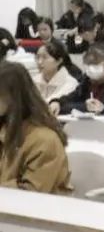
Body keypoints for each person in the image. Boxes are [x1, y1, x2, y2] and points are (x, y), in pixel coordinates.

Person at [0, 62, 71, 193]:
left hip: (37, 204)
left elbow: (32, 193)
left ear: (14, 97)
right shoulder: (5, 128)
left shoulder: (44, 140)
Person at [61, 43, 104, 114]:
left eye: (95, 63)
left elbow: (98, 107)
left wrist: (83, 106)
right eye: (88, 64)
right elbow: (73, 97)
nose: (90, 68)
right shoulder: (87, 79)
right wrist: (58, 102)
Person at [33, 42, 80, 108]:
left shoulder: (70, 83)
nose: (39, 62)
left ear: (59, 61)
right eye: (37, 57)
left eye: (45, 57)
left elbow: (49, 103)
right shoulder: (33, 80)